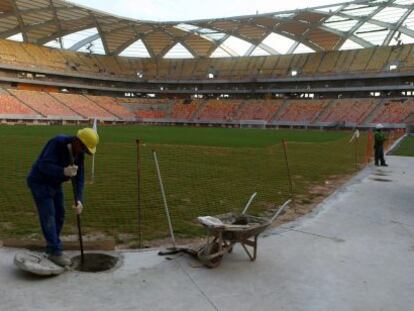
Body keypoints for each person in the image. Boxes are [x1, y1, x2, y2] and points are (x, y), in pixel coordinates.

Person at [27, 128, 99, 267]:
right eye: (84, 148)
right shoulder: (57, 142)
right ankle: (55, 251)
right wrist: (63, 171)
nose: (83, 152)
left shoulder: (79, 155)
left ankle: (52, 246)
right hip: (40, 182)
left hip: (55, 184)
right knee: (49, 215)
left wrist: (79, 200)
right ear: (77, 141)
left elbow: (79, 179)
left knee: (60, 214)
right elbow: (43, 165)